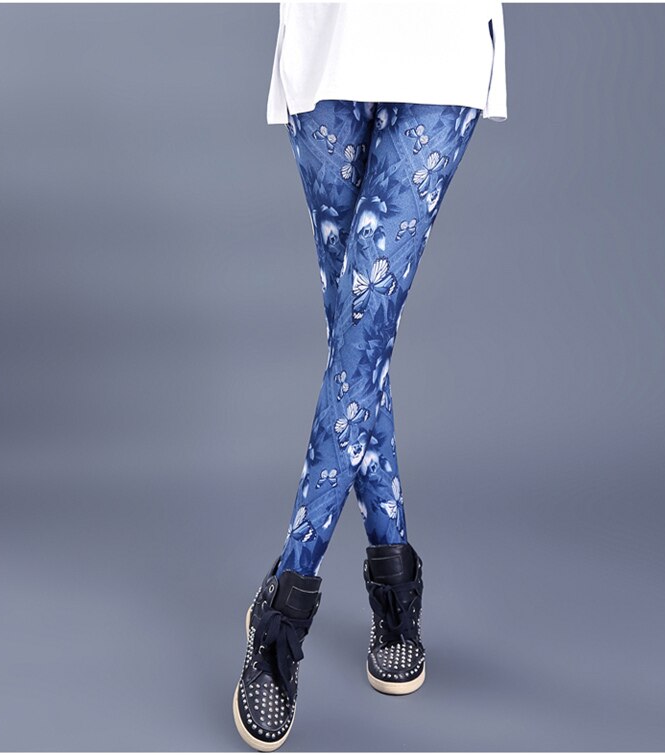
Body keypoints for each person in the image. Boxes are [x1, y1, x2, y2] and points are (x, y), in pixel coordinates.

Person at [233, 2, 508, 750]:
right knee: (358, 340)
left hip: (441, 45)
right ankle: (393, 578)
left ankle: (287, 605)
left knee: (363, 319)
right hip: (331, 39)